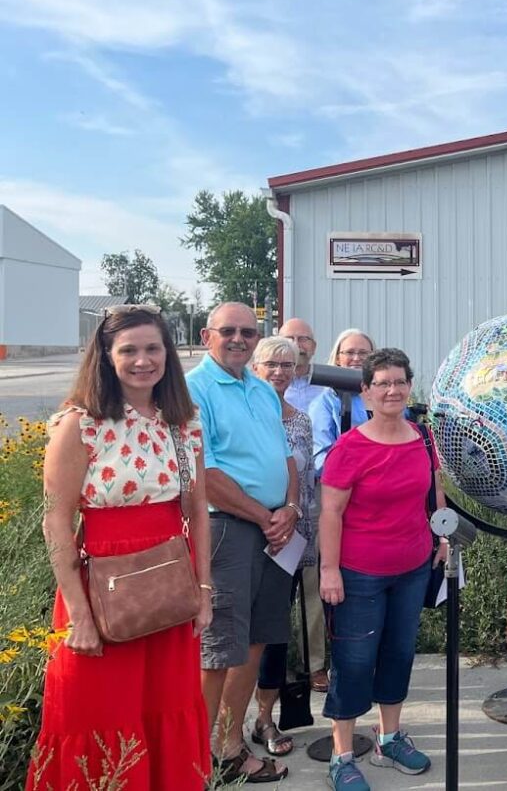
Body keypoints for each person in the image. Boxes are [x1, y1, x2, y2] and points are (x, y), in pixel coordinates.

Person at [28, 304, 213, 790]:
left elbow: (197, 511)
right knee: (95, 716)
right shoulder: (80, 422)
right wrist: (80, 615)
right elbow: (56, 521)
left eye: (153, 348)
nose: (142, 360)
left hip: (169, 592)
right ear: (106, 356)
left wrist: (204, 592)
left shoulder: (183, 422)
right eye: (128, 350)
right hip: (100, 593)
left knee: (165, 710)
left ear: (168, 355)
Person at [318, 348, 446, 790]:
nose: (392, 390)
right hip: (359, 573)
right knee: (354, 661)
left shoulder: (423, 438)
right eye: (382, 383)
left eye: (400, 381)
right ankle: (341, 755)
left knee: (398, 653)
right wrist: (329, 571)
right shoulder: (349, 448)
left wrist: (441, 537)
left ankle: (389, 738)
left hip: (412, 568)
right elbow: (330, 513)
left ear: (410, 386)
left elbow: (435, 492)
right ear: (366, 392)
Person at [188, 302, 299, 785]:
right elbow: (204, 474)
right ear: (206, 334)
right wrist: (264, 515)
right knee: (219, 649)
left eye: (248, 332)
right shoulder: (194, 390)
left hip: (275, 530)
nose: (239, 339)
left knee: (255, 641)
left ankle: (228, 745)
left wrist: (290, 509)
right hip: (230, 529)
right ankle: (195, 758)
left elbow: (285, 457)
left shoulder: (261, 388)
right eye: (228, 331)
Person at [249, 336, 317, 757]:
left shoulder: (300, 420)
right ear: (256, 367)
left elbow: (306, 483)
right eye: (271, 364)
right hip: (245, 533)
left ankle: (263, 719)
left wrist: (294, 524)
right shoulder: (244, 416)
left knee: (275, 633)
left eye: (287, 365)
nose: (279, 372)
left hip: (289, 540)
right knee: (235, 631)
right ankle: (220, 723)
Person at [279, 317, 329, 692]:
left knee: (312, 589)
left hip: (315, 503)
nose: (298, 345)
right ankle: (275, 663)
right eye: (290, 338)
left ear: (314, 345)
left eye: (304, 339)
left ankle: (315, 665)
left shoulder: (326, 388)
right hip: (273, 506)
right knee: (277, 590)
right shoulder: (263, 388)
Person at [310, 328, 375, 473]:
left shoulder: (385, 395)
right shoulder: (326, 402)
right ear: (338, 358)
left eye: (363, 353)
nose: (357, 358)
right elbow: (320, 459)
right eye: (350, 352)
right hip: (347, 485)